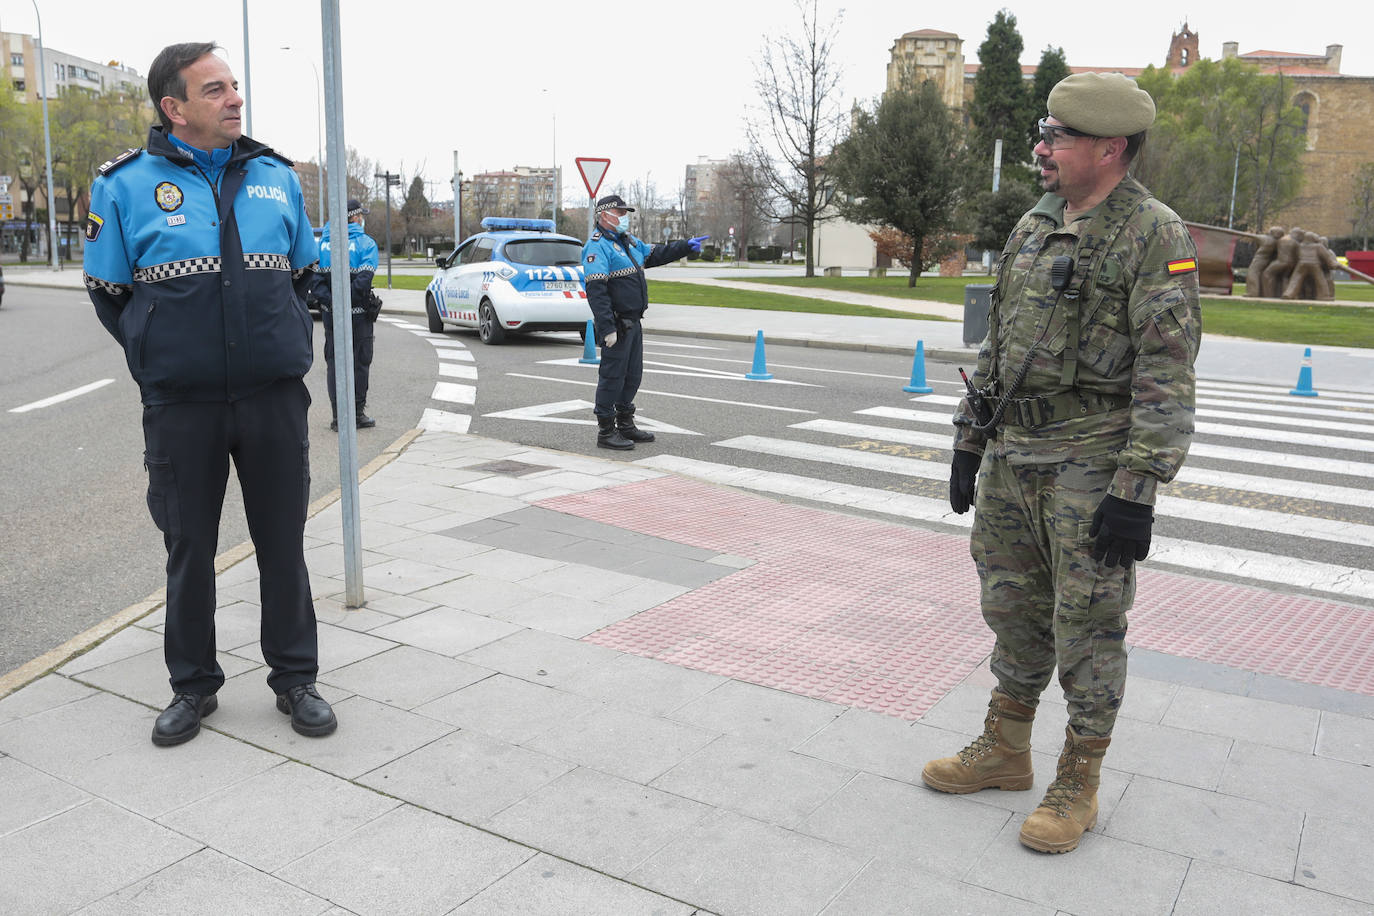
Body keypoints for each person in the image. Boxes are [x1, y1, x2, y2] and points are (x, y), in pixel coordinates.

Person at [927, 72, 1201, 854]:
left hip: (1092, 462)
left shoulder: (1155, 234)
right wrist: (967, 438)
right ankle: (1006, 748)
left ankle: (1078, 775)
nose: (1043, 148)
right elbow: (1001, 345)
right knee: (1013, 608)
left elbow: (1167, 372)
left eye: (1059, 136)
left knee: (1086, 625)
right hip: (1014, 457)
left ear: (1110, 149)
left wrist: (1137, 490)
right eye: (1045, 132)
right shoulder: (1034, 224)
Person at [83, 42, 337, 747]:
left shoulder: (276, 178)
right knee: (188, 549)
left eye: (235, 87)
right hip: (182, 405)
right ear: (175, 107)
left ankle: (296, 679)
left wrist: (274, 342)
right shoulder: (124, 186)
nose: (235, 100)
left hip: (272, 399)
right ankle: (193, 688)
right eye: (217, 89)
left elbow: (302, 276)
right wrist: (161, 351)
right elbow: (110, 294)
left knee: (282, 543)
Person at [582, 193, 708, 449]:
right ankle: (606, 431)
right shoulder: (597, 246)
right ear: (604, 215)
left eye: (625, 214)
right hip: (617, 324)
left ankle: (626, 424)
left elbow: (656, 253)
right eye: (620, 213)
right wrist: (606, 328)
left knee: (632, 376)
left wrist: (685, 245)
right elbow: (597, 292)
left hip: (633, 322)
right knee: (612, 376)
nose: (624, 218)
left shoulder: (627, 242)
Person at [313, 199, 381, 430]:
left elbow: (315, 282)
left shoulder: (322, 244)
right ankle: (356, 414)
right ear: (354, 217)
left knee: (335, 363)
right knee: (359, 363)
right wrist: (346, 303)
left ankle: (337, 417)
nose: (362, 219)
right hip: (358, 315)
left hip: (331, 316)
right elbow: (364, 280)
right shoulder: (366, 243)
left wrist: (333, 304)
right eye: (360, 215)